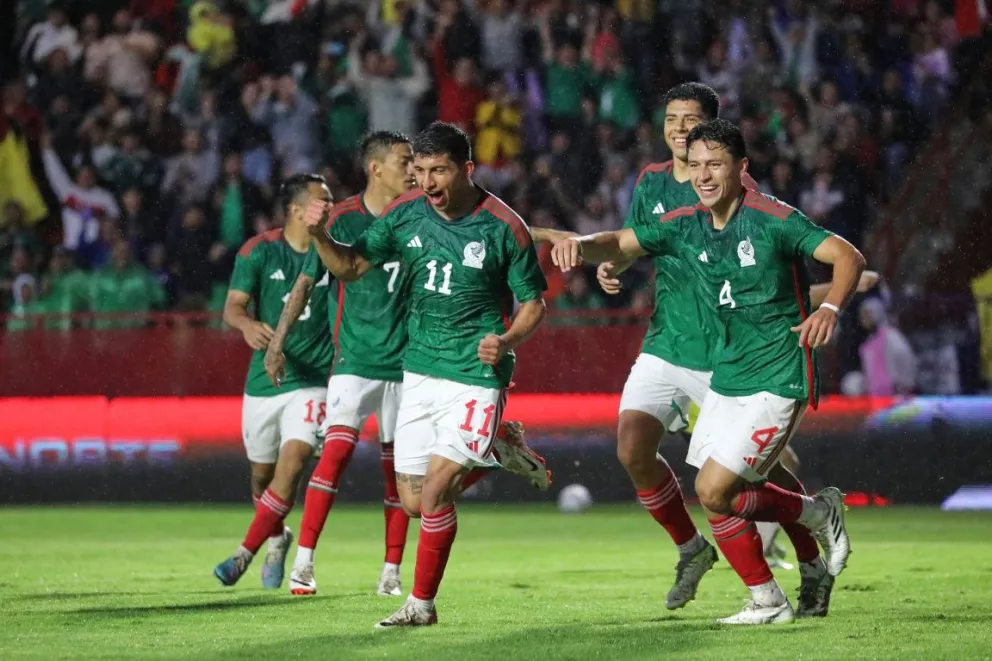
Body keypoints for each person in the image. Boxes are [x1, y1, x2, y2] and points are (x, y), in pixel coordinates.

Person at [551, 119, 864, 625]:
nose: (703, 175)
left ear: (742, 168)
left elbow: (845, 255)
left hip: (778, 371)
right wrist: (580, 247)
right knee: (719, 495)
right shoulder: (686, 223)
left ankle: (819, 516)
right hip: (728, 372)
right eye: (695, 165)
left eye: (715, 164)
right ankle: (768, 600)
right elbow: (622, 241)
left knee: (716, 490)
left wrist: (829, 311)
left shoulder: (772, 218)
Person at [266, 131, 552, 599]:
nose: (426, 181)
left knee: (435, 489)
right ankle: (498, 449)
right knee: (414, 501)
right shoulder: (405, 213)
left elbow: (533, 303)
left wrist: (505, 339)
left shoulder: (503, 224)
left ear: (466, 170)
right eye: (419, 170)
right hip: (417, 367)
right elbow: (352, 267)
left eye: (437, 170)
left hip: (475, 371)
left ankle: (418, 603)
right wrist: (318, 234)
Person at [212, 174, 336, 589]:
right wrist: (247, 327)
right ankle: (277, 537)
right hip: (266, 381)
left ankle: (242, 555)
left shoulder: (333, 250)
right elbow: (233, 307)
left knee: (295, 460)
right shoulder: (259, 251)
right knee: (261, 478)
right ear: (298, 210)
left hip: (315, 379)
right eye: (323, 201)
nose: (331, 207)